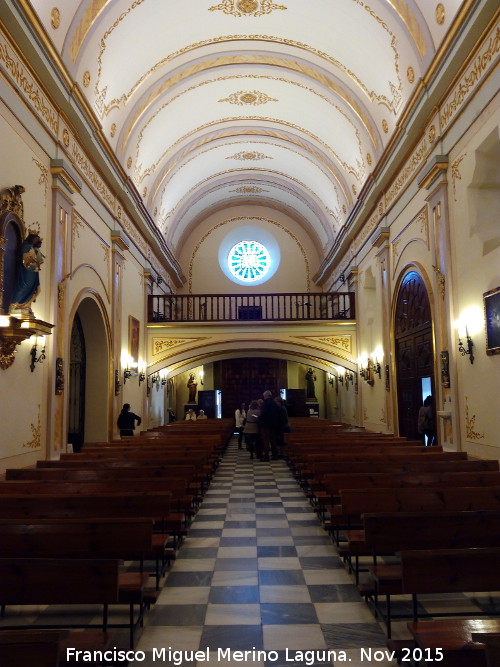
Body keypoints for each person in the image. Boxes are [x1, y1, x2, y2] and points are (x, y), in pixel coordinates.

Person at [9, 232, 44, 316]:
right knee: (25, 285)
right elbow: (25, 260)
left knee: (35, 289)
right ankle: (15, 304)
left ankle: (25, 305)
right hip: (27, 271)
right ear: (31, 238)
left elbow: (37, 260)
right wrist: (34, 265)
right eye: (36, 239)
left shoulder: (32, 247)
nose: (37, 241)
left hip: (33, 272)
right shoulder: (26, 246)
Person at [259, 390, 282, 461]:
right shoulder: (274, 403)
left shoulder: (266, 403)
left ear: (266, 396)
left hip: (266, 425)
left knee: (266, 441)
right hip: (273, 425)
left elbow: (264, 413)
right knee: (273, 440)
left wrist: (259, 418)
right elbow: (277, 413)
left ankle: (266, 457)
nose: (264, 397)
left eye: (264, 396)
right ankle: (275, 455)